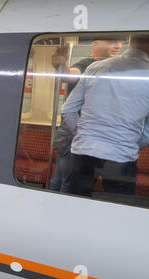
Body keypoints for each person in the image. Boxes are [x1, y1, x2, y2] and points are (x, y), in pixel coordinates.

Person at [61, 34, 149, 197]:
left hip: (84, 151)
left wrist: (84, 135)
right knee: (119, 211)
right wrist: (126, 144)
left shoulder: (95, 67)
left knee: (74, 207)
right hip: (121, 157)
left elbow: (68, 110)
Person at [49, 36, 123, 192]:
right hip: (75, 132)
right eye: (111, 41)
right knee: (70, 182)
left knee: (60, 177)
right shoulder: (87, 65)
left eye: (119, 42)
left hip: (73, 131)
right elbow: (69, 75)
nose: (117, 45)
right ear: (95, 43)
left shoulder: (109, 67)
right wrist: (61, 65)